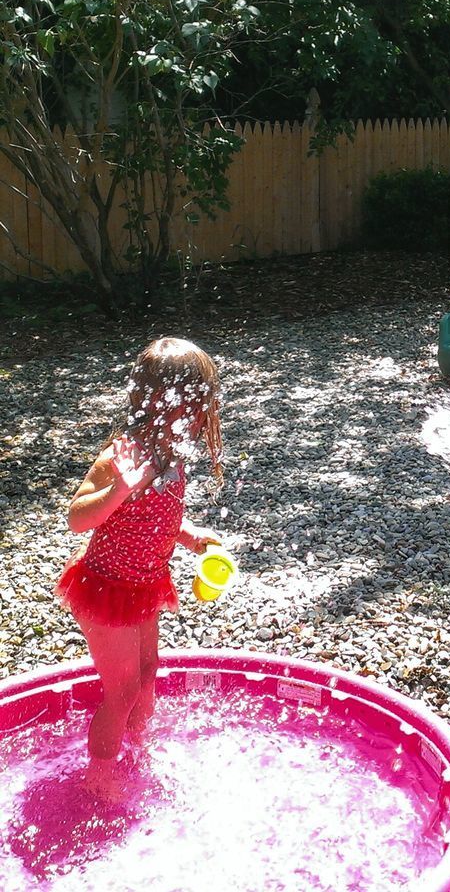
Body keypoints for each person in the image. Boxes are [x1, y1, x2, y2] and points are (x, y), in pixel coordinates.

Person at [54, 337, 226, 802]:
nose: (198, 418)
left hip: (144, 584)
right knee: (124, 687)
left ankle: (137, 749)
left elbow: (158, 514)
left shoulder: (172, 454)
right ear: (159, 401)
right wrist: (116, 491)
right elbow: (77, 519)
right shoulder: (122, 456)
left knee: (149, 670)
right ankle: (100, 779)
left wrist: (188, 536)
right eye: (194, 406)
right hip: (104, 588)